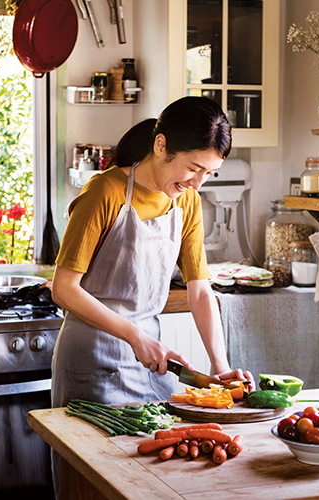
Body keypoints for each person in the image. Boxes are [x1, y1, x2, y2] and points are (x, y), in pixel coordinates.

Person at [50, 95, 252, 407]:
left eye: (209, 173)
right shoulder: (105, 191)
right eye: (193, 168)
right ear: (161, 146)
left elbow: (199, 291)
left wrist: (220, 365)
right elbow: (64, 289)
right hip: (92, 359)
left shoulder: (186, 202)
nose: (198, 183)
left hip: (150, 358)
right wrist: (135, 337)